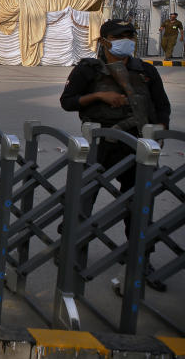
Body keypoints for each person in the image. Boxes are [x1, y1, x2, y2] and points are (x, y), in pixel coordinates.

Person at [59, 18, 170, 292]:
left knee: (139, 206)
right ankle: (71, 250)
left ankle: (141, 260)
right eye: (122, 36)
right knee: (83, 200)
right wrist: (99, 97)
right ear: (105, 41)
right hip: (101, 144)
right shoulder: (89, 70)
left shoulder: (144, 71)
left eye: (131, 36)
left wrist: (159, 130)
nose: (128, 41)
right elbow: (68, 102)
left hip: (137, 145)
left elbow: (162, 106)